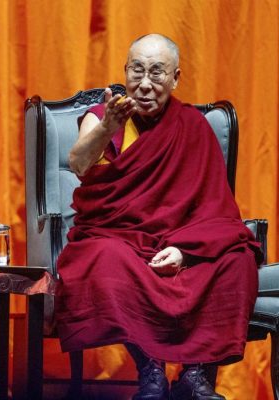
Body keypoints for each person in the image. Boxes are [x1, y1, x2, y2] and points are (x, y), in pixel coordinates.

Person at [56, 34, 261, 400]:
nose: (145, 83)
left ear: (176, 78)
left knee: (237, 258)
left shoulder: (193, 126)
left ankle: (194, 375)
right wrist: (107, 128)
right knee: (102, 257)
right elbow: (79, 164)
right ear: (125, 71)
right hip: (118, 236)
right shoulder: (103, 116)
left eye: (157, 72)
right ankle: (150, 369)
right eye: (137, 70)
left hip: (180, 241)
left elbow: (216, 212)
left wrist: (186, 251)